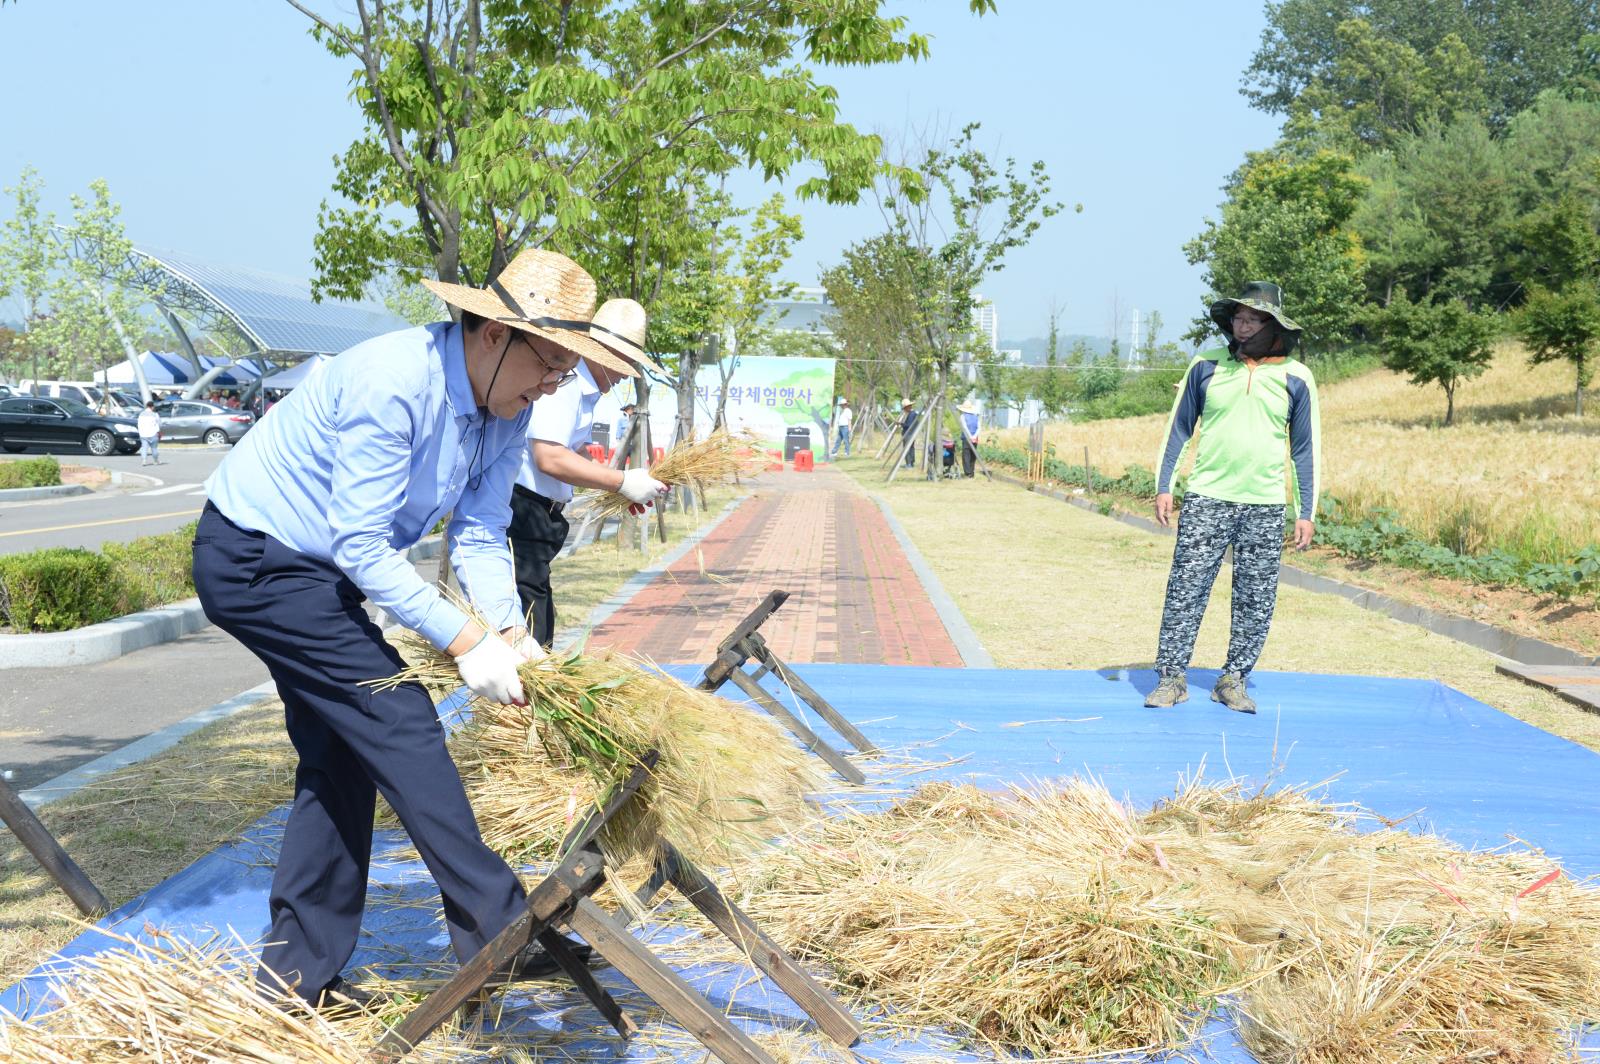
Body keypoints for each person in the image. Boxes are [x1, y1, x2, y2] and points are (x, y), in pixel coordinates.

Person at [192, 248, 633, 1015]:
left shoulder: (505, 408)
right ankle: (501, 927)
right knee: (398, 716)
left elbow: (481, 530)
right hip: (257, 559)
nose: (551, 386)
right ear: (492, 335)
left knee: (343, 755)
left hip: (315, 571)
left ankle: (294, 982)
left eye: (566, 373)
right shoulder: (395, 381)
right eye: (550, 364)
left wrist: (508, 629)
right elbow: (361, 545)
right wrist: (467, 644)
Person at [1145, 281, 1321, 714]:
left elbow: (1304, 448)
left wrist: (1306, 512)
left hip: (1265, 505)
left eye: (1253, 319)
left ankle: (1234, 679)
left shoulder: (1297, 377)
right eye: (1238, 318)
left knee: (1255, 598)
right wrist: (1165, 485)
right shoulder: (1206, 366)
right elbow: (1179, 428)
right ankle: (1171, 678)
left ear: (1273, 325)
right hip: (1207, 497)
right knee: (1185, 589)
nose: (1242, 327)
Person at [509, 298, 667, 646]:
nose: (626, 373)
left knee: (538, 627)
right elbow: (549, 457)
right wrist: (621, 482)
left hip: (539, 518)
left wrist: (618, 486)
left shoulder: (586, 390)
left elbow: (572, 448)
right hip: (522, 513)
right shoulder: (564, 384)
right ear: (604, 352)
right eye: (625, 362)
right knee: (529, 634)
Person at [957, 399, 980, 478]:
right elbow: (979, 428)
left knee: (966, 455)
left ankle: (968, 472)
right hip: (975, 438)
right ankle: (971, 472)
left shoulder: (963, 416)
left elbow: (965, 427)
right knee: (973, 455)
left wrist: (970, 436)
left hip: (966, 438)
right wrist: (974, 436)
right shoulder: (976, 416)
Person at [897, 397, 920, 467]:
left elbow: (908, 425)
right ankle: (911, 462)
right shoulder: (914, 414)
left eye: (905, 408)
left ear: (908, 407)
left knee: (907, 449)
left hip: (908, 434)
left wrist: (900, 423)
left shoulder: (911, 414)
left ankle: (909, 463)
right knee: (911, 448)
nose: (904, 410)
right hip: (912, 433)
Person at [137, 400, 162, 466]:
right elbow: (159, 424)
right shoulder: (155, 414)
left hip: (143, 434)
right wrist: (159, 432)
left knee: (144, 447)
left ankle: (144, 460)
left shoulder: (141, 414)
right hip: (153, 433)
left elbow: (139, 424)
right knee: (154, 448)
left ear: (147, 406)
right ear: (152, 407)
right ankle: (156, 461)